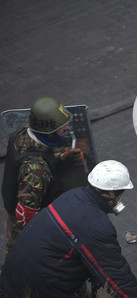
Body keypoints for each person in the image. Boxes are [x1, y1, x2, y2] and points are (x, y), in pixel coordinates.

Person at [0, 160, 137, 298]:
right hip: (42, 294)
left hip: (16, 276)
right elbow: (114, 273)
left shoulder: (73, 196)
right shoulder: (96, 225)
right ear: (113, 194)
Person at [2, 96, 84, 252]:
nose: (66, 129)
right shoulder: (37, 172)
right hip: (25, 229)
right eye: (61, 127)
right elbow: (26, 216)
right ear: (49, 131)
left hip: (10, 206)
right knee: (19, 259)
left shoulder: (21, 135)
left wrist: (61, 157)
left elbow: (36, 153)